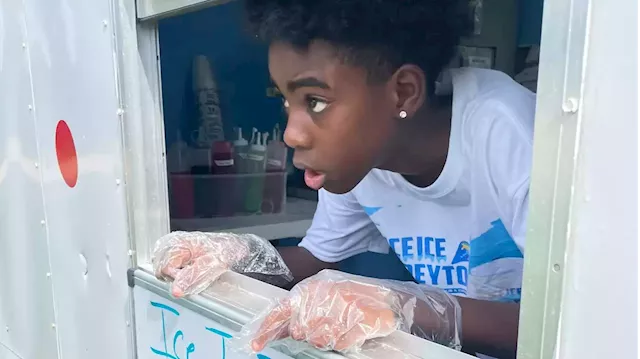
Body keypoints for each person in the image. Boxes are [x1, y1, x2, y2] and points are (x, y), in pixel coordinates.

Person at [154, 1, 535, 358]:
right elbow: (314, 257)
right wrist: (238, 256)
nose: (290, 135)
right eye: (287, 101)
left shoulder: (508, 134)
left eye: (315, 102)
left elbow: (570, 318)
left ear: (403, 92)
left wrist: (403, 306)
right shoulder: (363, 157)